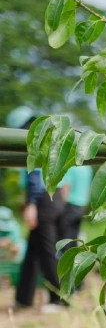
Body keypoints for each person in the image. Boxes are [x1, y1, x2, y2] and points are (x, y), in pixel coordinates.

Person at [6, 106, 69, 311]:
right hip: (53, 196)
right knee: (33, 251)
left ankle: (59, 299)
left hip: (43, 199)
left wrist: (32, 204)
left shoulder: (35, 141)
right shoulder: (48, 138)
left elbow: (34, 176)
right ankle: (24, 298)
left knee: (47, 250)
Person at [59, 165, 93, 254]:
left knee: (65, 238)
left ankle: (64, 260)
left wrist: (62, 204)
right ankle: (72, 260)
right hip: (81, 206)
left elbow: (66, 186)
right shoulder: (88, 168)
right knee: (74, 237)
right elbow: (88, 189)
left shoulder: (71, 167)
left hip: (70, 204)